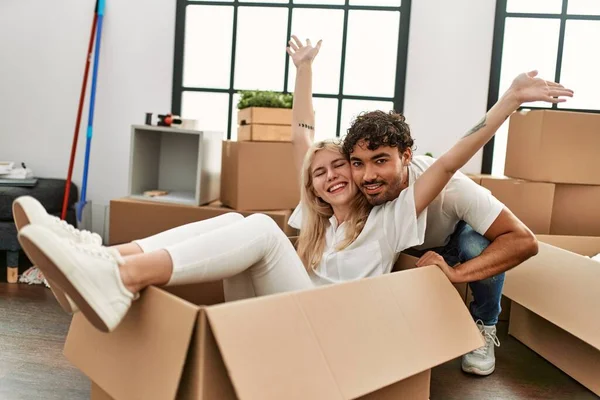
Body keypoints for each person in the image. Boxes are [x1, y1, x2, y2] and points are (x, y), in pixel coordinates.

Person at [14, 36, 572, 336]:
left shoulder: (393, 217)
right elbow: (302, 136)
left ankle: (119, 275)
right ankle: (103, 259)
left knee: (256, 226)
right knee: (241, 224)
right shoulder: (316, 221)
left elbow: (451, 159)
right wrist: (304, 70)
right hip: (278, 307)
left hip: (327, 320)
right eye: (327, 172)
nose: (336, 176)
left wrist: (508, 100)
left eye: (346, 169)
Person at [341, 95, 549, 374]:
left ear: (406, 156)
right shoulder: (356, 186)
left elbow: (523, 240)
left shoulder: (450, 186)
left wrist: (457, 274)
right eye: (358, 163)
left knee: (476, 244)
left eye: (380, 160)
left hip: (446, 246)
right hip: (399, 254)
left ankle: (484, 326)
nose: (368, 175)